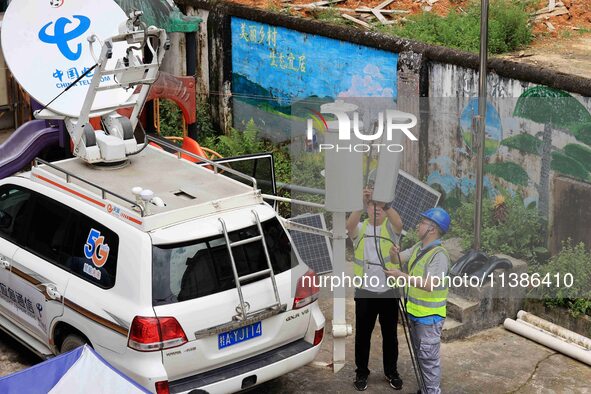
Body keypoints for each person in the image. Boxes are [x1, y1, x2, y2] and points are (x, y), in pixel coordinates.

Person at [384, 207, 451, 394]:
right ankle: (426, 389)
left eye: (423, 222)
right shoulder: (418, 248)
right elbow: (397, 260)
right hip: (415, 313)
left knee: (428, 361)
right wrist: (393, 253)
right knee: (421, 358)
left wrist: (401, 276)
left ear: (433, 229)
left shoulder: (439, 255)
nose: (418, 225)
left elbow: (430, 285)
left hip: (429, 318)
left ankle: (431, 391)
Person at [346, 185, 404, 391]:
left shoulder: (390, 226)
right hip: (365, 292)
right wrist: (360, 204)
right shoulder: (361, 227)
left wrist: (384, 203)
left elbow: (399, 223)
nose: (375, 209)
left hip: (389, 291)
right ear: (367, 208)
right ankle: (361, 373)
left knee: (390, 336)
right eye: (372, 205)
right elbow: (349, 227)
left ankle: (392, 372)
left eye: (378, 206)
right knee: (363, 336)